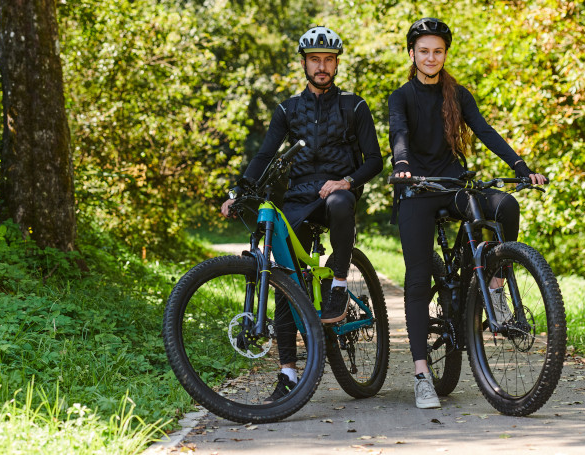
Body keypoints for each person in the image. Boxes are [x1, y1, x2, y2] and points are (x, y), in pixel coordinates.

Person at [389, 18, 547, 409]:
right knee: (418, 277)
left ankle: (494, 284)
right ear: (412, 54)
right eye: (423, 50)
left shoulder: (457, 95)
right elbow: (399, 133)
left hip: (454, 185)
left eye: (437, 51)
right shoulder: (401, 96)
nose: (430, 57)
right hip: (417, 190)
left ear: (445, 55)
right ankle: (423, 373)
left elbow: (486, 132)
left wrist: (520, 165)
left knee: (505, 205)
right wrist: (403, 163)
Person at [221, 26, 382, 401]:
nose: (322, 67)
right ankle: (289, 373)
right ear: (304, 64)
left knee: (341, 203)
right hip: (298, 198)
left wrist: (346, 181)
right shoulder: (287, 109)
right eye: (315, 60)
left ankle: (339, 282)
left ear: (337, 63)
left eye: (328, 60)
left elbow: (375, 160)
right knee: (283, 278)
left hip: (337, 192)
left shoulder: (354, 106)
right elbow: (264, 155)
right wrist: (239, 191)